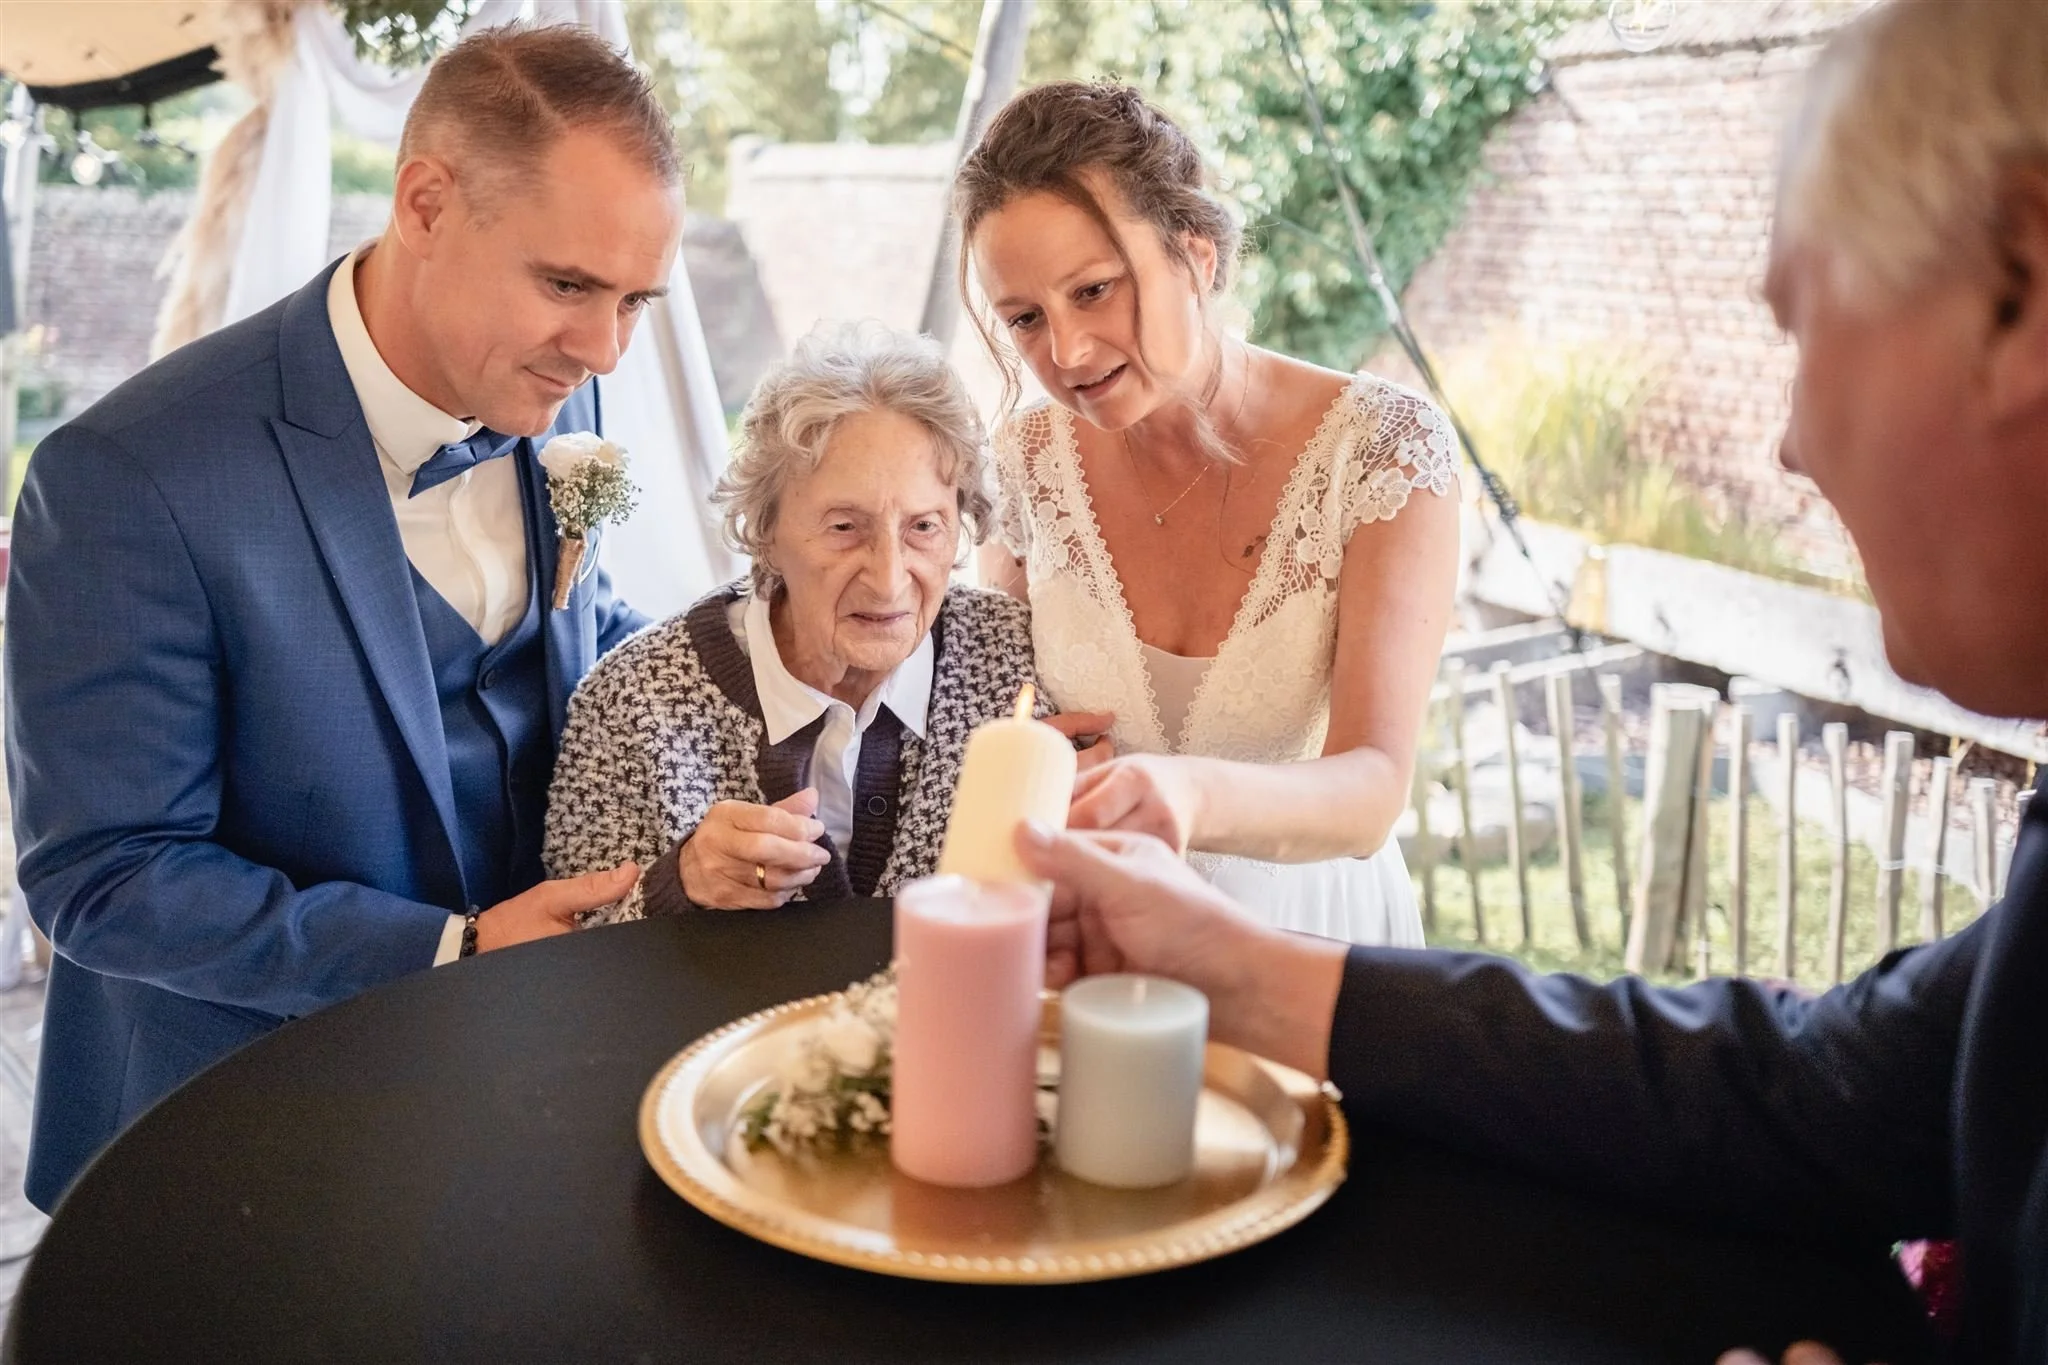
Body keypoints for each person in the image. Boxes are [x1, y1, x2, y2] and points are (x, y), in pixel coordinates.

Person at [1013, 3, 2048, 1359]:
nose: (1791, 448)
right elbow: (1823, 1093)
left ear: (2021, 289)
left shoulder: (1376, 442)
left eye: (1806, 328)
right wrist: (1232, 963)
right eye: (1024, 313)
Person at [3, 24, 672, 1211]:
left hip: (525, 1106)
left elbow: (581, 641)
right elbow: (106, 875)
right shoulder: (128, 475)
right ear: (423, 204)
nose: (603, 344)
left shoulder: (564, 382)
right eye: (567, 284)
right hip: (234, 1137)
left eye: (633, 300)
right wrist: (450, 954)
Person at [956, 81, 1460, 948]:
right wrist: (1037, 747)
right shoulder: (1024, 464)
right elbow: (1006, 707)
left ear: (1196, 258)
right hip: (1098, 940)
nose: (1067, 353)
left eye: (1095, 290)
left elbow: (1373, 788)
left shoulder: (1383, 450)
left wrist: (1181, 792)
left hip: (1310, 940)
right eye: (1026, 319)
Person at [545, 325, 1075, 914]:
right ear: (766, 531)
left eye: (923, 527)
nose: (889, 578)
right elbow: (574, 955)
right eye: (845, 527)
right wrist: (681, 885)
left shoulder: (1014, 665)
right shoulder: (632, 703)